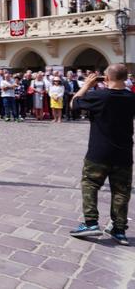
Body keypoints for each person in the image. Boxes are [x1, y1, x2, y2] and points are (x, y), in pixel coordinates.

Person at [70, 66, 135, 246]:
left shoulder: (100, 96)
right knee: (121, 191)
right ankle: (119, 230)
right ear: (125, 78)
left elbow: (74, 104)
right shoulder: (131, 97)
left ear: (105, 77)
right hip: (124, 152)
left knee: (90, 183)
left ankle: (91, 223)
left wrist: (86, 85)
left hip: (99, 151)